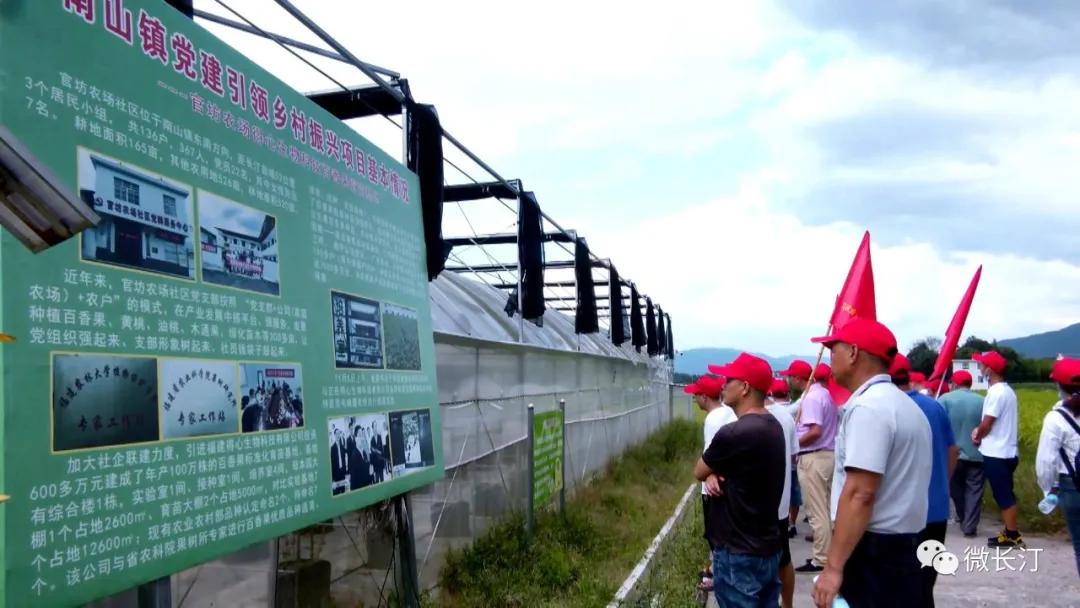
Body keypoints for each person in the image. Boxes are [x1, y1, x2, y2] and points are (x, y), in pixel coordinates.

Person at [810, 319, 931, 608]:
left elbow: (860, 493)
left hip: (875, 552)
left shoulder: (869, 408)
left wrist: (834, 567)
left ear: (853, 353)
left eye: (833, 350)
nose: (830, 360)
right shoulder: (905, 406)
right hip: (907, 545)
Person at [696, 353, 786, 607]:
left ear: (745, 387)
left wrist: (712, 471)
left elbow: (699, 470)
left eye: (729, 379)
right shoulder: (773, 425)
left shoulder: (734, 433)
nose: (722, 384)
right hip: (767, 547)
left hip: (738, 553)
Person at [890, 354, 958, 607]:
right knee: (925, 581)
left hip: (902, 515)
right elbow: (953, 451)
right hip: (936, 510)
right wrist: (942, 483)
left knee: (898, 586)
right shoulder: (934, 406)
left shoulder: (887, 409)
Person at [685, 374, 736, 591]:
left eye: (696, 395)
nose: (695, 399)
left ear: (705, 397)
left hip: (714, 489)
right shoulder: (729, 412)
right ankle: (718, 571)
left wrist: (708, 474)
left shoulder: (713, 420)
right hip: (729, 484)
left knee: (715, 535)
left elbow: (709, 459)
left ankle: (719, 578)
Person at [971, 351, 1024, 547]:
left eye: (981, 365)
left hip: (997, 452)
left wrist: (977, 435)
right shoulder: (1007, 391)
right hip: (1006, 450)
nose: (980, 368)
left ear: (989, 370)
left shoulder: (996, 392)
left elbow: (987, 423)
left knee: (1003, 494)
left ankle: (1012, 535)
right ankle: (1010, 530)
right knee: (1005, 492)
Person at [792, 358, 838, 573]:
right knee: (825, 509)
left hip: (814, 456)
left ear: (798, 378)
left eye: (791, 376)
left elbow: (815, 431)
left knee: (816, 511)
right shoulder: (825, 394)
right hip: (826, 456)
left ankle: (821, 558)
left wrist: (793, 444)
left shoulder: (811, 398)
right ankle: (827, 554)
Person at [1036, 357, 1080, 576]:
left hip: (1073, 487)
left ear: (1059, 386)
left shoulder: (1056, 418)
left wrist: (1049, 491)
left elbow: (1045, 462)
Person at [939, 370, 986, 537]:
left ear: (954, 383)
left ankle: (963, 516)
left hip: (953, 454)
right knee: (975, 490)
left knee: (955, 489)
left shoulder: (944, 399)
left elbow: (939, 426)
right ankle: (970, 525)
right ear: (970, 384)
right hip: (977, 453)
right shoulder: (983, 401)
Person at [766, 379, 800, 608]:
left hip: (752, 511)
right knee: (783, 559)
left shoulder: (738, 417)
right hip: (779, 506)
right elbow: (793, 459)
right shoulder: (786, 417)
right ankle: (787, 604)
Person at [330, 427, 349, 494]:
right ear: (334, 435)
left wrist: (346, 471)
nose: (338, 435)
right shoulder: (332, 448)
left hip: (342, 472)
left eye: (339, 434)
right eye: (337, 434)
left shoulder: (342, 447)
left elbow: (344, 460)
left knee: (343, 490)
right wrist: (332, 478)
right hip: (336, 474)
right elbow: (332, 463)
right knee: (337, 491)